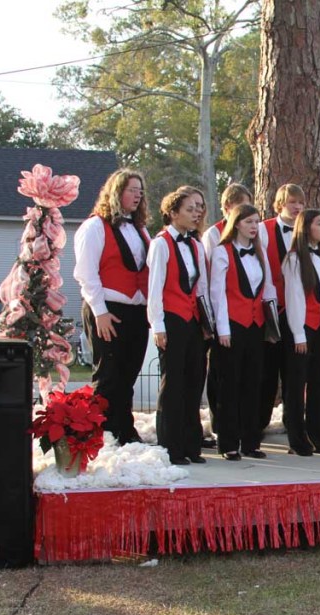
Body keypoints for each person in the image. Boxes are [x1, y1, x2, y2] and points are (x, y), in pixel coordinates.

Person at [73, 168, 151, 445]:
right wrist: (100, 312)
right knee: (108, 374)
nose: (137, 195)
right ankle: (101, 433)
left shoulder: (141, 229)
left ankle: (124, 428)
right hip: (107, 309)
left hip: (136, 310)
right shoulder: (94, 227)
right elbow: (86, 273)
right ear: (116, 192)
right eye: (132, 190)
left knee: (128, 374)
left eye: (140, 191)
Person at [147, 186, 211, 465]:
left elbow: (201, 288)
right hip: (171, 319)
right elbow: (155, 288)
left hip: (193, 320)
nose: (196, 213)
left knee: (194, 382)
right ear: (173, 213)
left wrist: (207, 322)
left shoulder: (195, 245)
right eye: (189, 209)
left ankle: (191, 445)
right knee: (172, 384)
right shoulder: (161, 244)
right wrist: (158, 326)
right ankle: (170, 446)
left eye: (198, 209)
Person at [209, 203, 276, 461]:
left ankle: (251, 442)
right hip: (232, 326)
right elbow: (217, 294)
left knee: (253, 384)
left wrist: (271, 324)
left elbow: (267, 288)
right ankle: (228, 443)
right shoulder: (222, 252)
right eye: (249, 222)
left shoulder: (259, 251)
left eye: (257, 222)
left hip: (255, 326)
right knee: (229, 385)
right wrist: (222, 329)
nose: (254, 226)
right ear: (236, 223)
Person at [283, 208, 320, 457]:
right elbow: (294, 298)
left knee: (319, 383)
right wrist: (298, 334)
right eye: (319, 223)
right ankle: (297, 439)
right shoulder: (294, 259)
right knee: (297, 386)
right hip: (302, 327)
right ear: (306, 226)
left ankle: (319, 436)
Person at [201, 183, 253, 446]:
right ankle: (220, 425)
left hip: (248, 318)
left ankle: (244, 428)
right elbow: (212, 281)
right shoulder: (213, 235)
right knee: (221, 376)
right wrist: (217, 323)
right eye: (242, 207)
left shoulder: (253, 242)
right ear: (228, 207)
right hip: (222, 316)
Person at [258, 183, 306, 434]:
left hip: (299, 311)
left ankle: (294, 424)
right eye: (292, 202)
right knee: (267, 371)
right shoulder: (263, 229)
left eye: (300, 202)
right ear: (280, 204)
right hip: (271, 311)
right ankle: (259, 422)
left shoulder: (306, 232)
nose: (297, 207)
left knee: (295, 372)